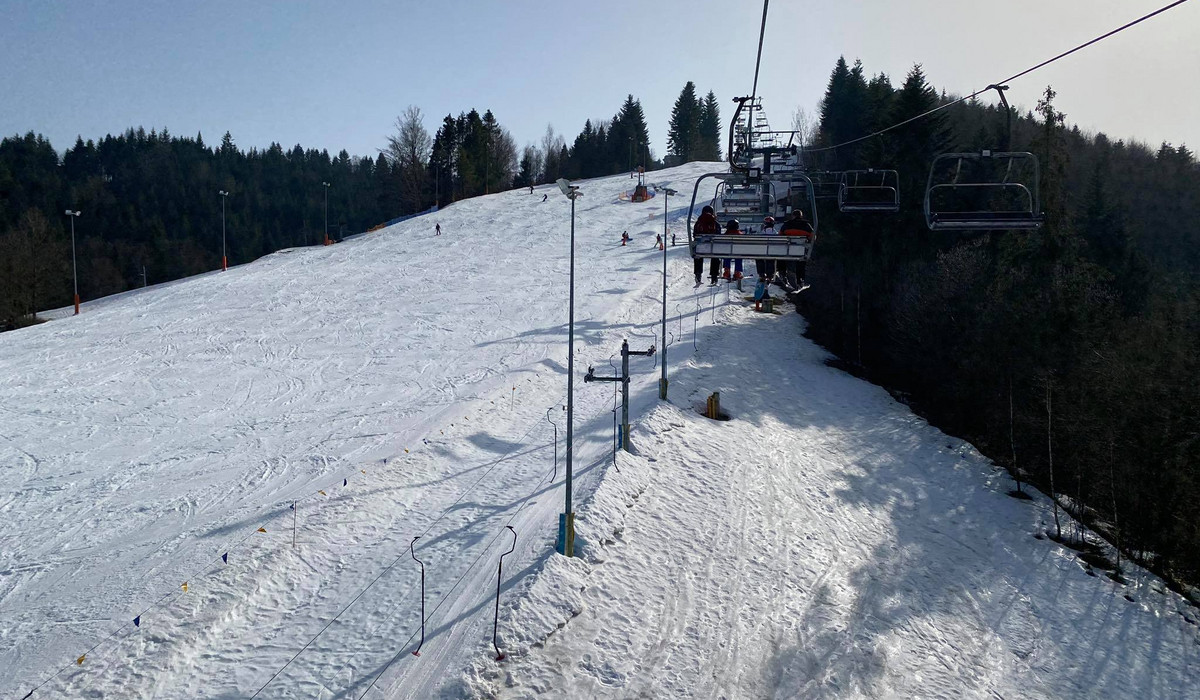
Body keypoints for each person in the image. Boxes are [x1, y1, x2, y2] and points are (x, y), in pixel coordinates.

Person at [778, 209, 815, 290]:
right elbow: (813, 237)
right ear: (801, 216)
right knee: (801, 262)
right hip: (800, 250)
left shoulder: (787, 224)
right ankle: (800, 280)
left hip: (787, 250)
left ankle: (782, 273)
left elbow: (780, 236)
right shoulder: (806, 225)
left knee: (781, 257)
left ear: (793, 216)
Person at [692, 205, 721, 286]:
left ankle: (698, 275)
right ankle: (714, 277)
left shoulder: (699, 222)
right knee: (715, 257)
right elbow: (718, 234)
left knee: (698, 256)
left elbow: (695, 234)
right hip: (712, 246)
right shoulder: (715, 223)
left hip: (701, 246)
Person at [755, 215, 777, 288]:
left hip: (762, 250)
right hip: (772, 251)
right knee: (770, 260)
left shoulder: (761, 233)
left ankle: (762, 275)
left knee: (759, 258)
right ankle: (769, 276)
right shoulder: (775, 233)